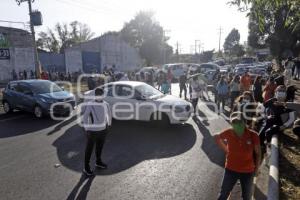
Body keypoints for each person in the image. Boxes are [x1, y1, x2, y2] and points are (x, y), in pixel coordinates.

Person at [214, 112, 261, 200]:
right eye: (234, 123)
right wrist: (226, 150)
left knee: (246, 197)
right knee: (223, 194)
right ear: (231, 124)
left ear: (244, 122)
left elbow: (258, 153)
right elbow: (216, 137)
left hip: (248, 171)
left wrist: (257, 169)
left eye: (239, 122)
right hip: (230, 169)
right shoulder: (228, 132)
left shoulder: (253, 135)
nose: (237, 125)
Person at [82, 88, 112, 176]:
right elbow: (85, 116)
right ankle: (86, 167)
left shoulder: (106, 104)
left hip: (103, 130)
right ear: (95, 95)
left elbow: (109, 115)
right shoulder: (91, 104)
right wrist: (87, 128)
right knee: (89, 149)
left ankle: (98, 162)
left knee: (99, 147)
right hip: (92, 131)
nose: (99, 96)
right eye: (97, 94)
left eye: (101, 94)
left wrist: (108, 125)